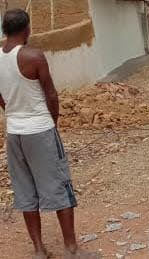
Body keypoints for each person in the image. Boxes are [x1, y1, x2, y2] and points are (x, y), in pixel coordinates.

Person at [0, 9, 99, 259]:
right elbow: (51, 94)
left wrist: (12, 111)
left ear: (4, 30)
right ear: (27, 29)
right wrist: (52, 122)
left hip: (14, 133)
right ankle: (71, 249)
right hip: (40, 130)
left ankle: (39, 250)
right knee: (59, 186)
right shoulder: (34, 56)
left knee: (24, 191)